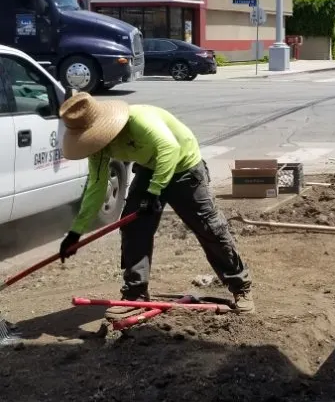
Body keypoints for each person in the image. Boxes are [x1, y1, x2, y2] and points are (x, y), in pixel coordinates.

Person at [58, 93, 254, 316]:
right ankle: (135, 295)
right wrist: (76, 232)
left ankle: (241, 286)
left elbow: (170, 149)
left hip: (184, 167)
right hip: (151, 168)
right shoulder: (98, 149)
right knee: (133, 227)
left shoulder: (138, 120)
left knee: (209, 228)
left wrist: (153, 192)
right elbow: (96, 188)